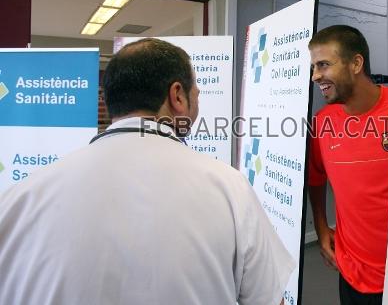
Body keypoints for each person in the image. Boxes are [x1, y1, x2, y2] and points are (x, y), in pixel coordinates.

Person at [0, 38, 294, 305]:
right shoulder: (230, 189)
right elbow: (268, 300)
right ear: (177, 96)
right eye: (197, 92)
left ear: (109, 101)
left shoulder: (18, 198)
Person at [307, 25, 388, 305]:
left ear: (356, 63)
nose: (315, 76)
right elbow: (315, 178)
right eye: (314, 67)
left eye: (323, 65)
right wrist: (322, 228)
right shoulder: (322, 123)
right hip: (351, 273)